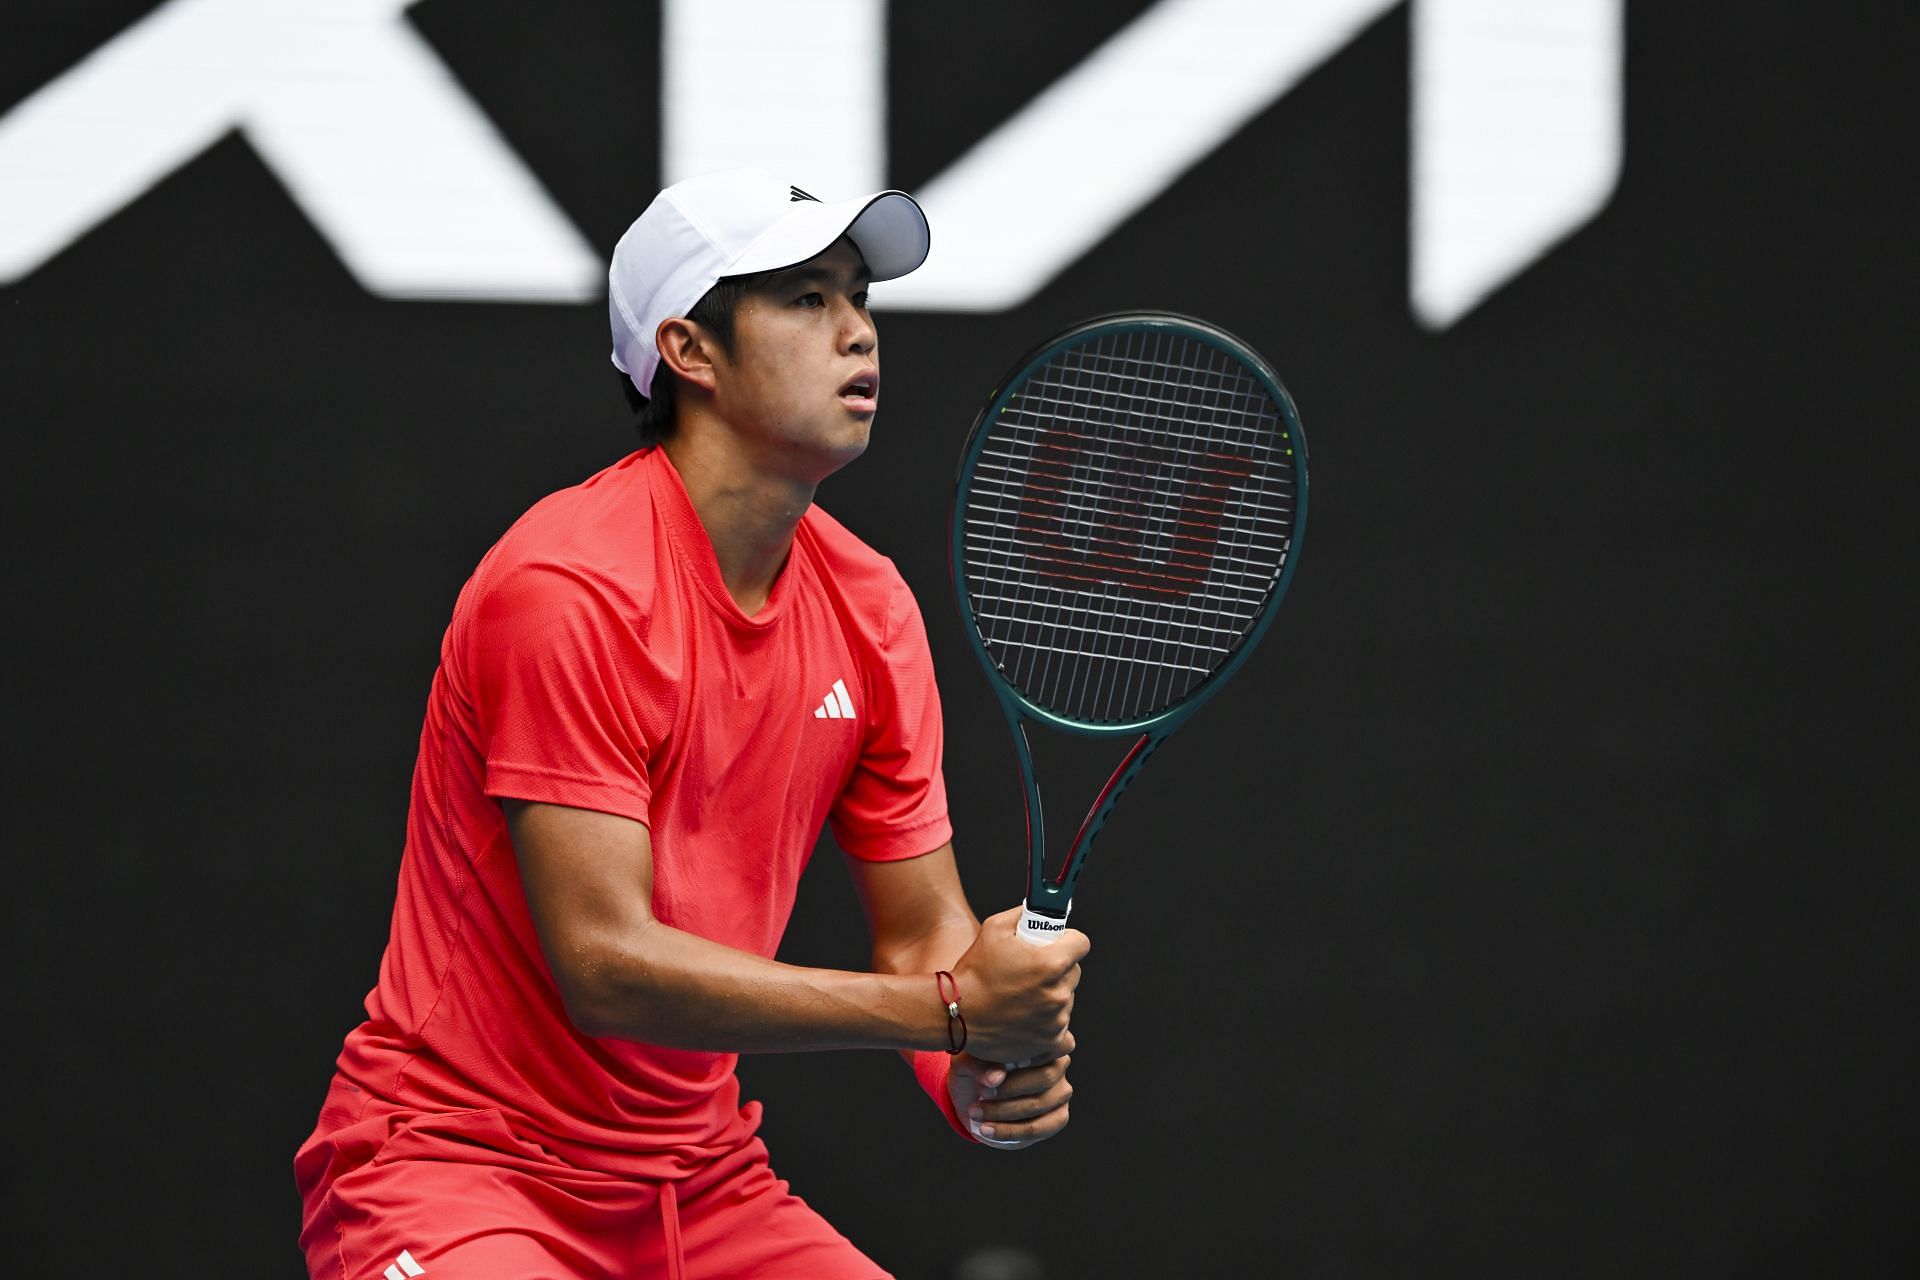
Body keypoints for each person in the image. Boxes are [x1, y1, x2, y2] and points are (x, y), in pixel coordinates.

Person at [294, 167, 1090, 1280]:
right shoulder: (569, 585)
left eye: (860, 297)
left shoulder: (871, 609)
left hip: (698, 1182)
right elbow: (605, 961)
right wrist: (946, 1011)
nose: (859, 331)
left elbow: (923, 934)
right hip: (458, 1166)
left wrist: (969, 1067)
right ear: (689, 350)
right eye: (807, 299)